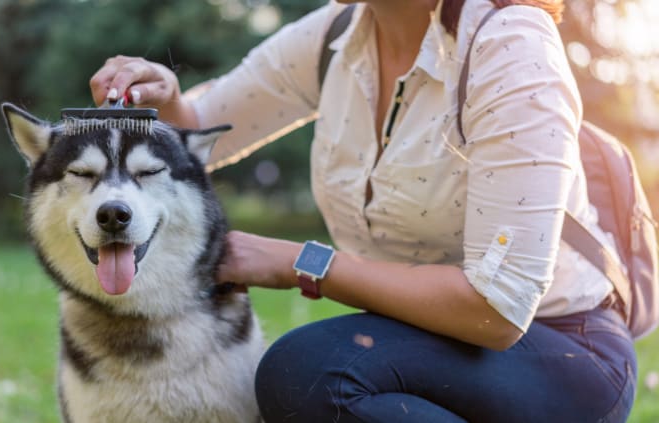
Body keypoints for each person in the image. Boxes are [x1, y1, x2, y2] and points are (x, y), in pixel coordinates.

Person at [89, 0, 637, 421]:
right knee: (310, 372)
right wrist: (165, 102)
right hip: (435, 342)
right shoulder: (337, 33)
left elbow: (497, 309)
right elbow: (203, 127)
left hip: (562, 349)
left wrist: (296, 262)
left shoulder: (510, 48)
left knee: (311, 372)